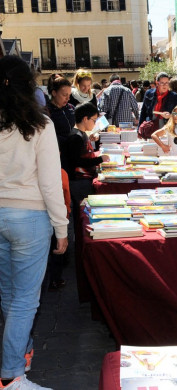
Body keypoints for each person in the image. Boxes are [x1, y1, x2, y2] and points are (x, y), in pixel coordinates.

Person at [0, 55, 68, 390]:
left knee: (9, 295)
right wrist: (62, 227)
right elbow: (50, 182)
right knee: (25, 299)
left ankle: (20, 353)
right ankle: (12, 375)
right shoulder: (41, 125)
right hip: (30, 217)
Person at [61, 102, 109, 224]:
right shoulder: (76, 137)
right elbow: (78, 161)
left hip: (81, 180)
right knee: (82, 213)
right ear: (85, 119)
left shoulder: (80, 134)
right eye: (93, 120)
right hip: (78, 181)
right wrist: (99, 159)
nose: (94, 124)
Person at [46, 74, 75, 151]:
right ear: (54, 93)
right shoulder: (46, 112)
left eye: (69, 95)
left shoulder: (71, 107)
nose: (68, 98)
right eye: (65, 95)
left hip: (73, 151)